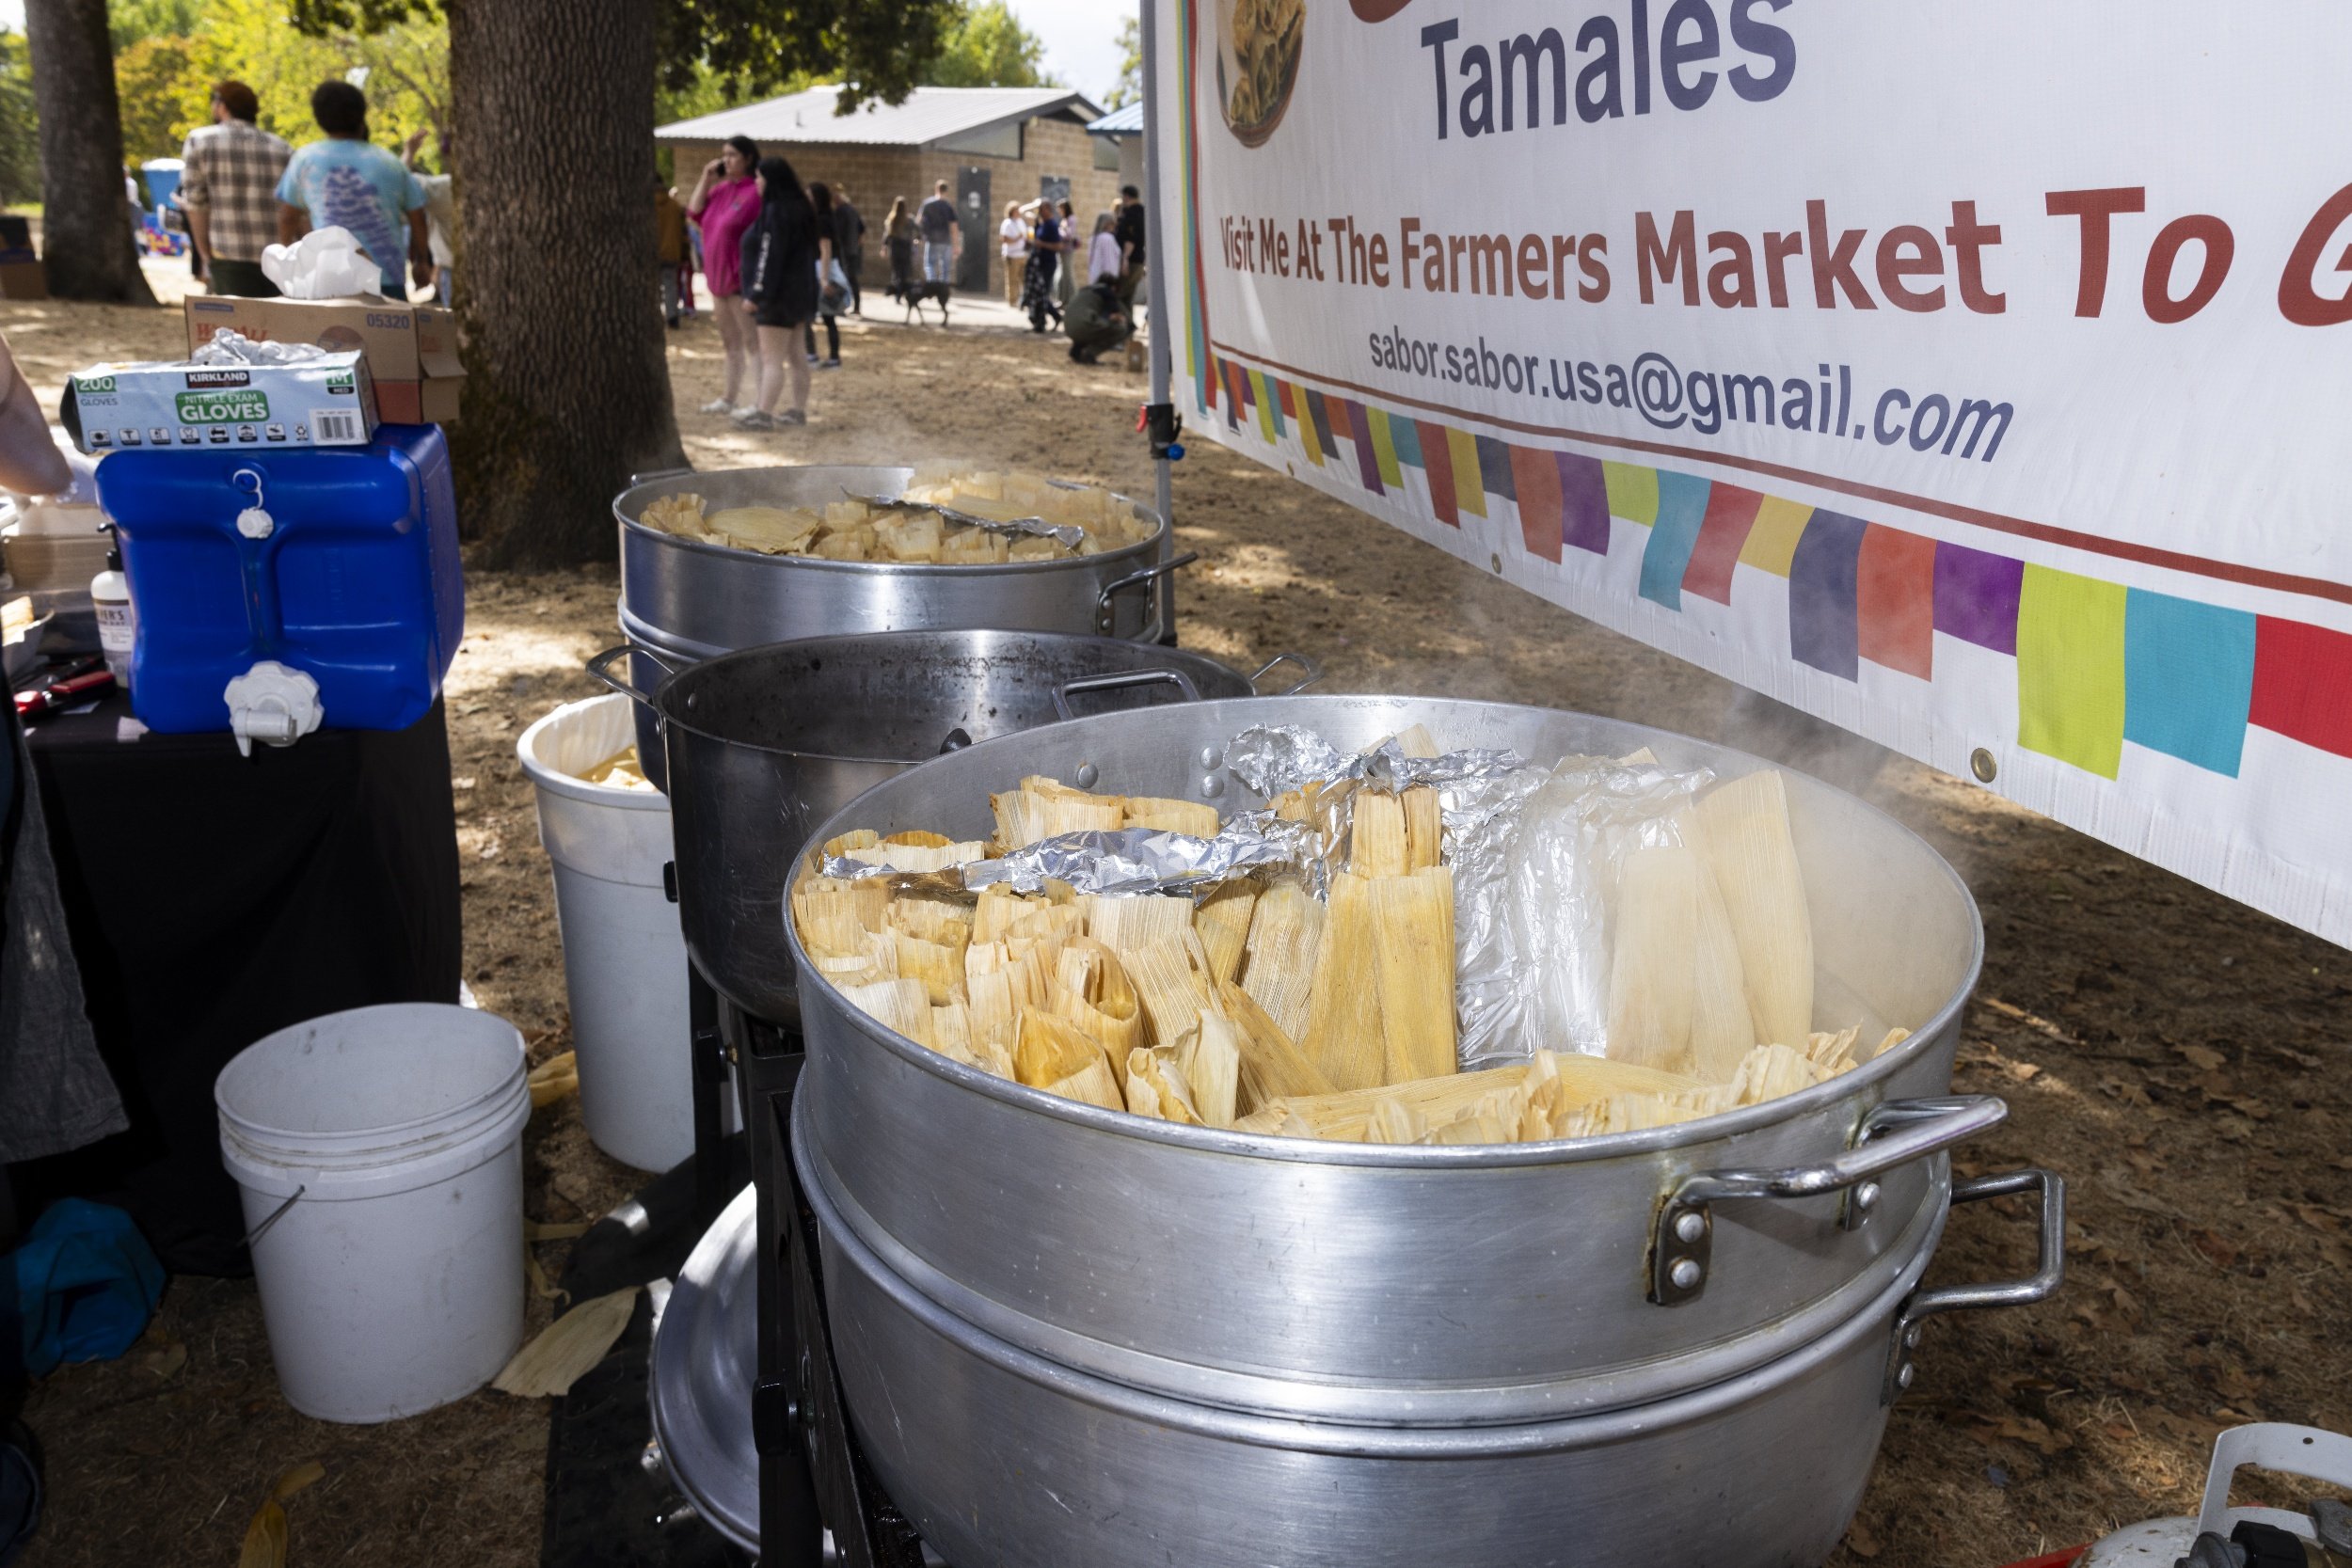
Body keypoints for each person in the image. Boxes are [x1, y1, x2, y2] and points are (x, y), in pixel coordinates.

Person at [274, 80, 431, 297]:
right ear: (361, 114)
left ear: (319, 117)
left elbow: (287, 218)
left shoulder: (305, 159)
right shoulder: (391, 163)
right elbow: (418, 217)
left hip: (329, 281)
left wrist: (289, 264)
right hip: (387, 278)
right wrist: (421, 260)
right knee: (390, 332)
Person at [179, 82, 291, 298]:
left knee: (238, 329)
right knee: (277, 329)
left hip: (227, 255)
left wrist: (204, 255)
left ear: (222, 105)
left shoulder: (200, 141)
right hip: (277, 258)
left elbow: (196, 204)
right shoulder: (282, 147)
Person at [736, 155, 821, 430]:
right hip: (799, 296)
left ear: (771, 180)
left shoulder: (775, 212)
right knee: (797, 356)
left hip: (777, 298)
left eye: (759, 177)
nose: (756, 182)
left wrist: (757, 293)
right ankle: (797, 410)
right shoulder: (801, 209)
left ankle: (763, 414)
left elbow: (769, 256)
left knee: (772, 359)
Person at [685, 135, 762, 416]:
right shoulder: (719, 190)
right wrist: (706, 177)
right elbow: (693, 211)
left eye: (733, 155)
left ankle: (759, 402)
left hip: (740, 281)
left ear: (748, 159)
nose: (726, 160)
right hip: (716, 280)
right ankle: (729, 398)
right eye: (724, 155)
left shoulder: (754, 192)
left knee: (753, 343)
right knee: (730, 343)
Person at [402, 127, 457, 304]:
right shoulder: (448, 188)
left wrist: (408, 153)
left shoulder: (447, 189)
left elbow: (401, 183)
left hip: (454, 271)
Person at [805, 181, 846, 368]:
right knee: (828, 319)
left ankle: (813, 356)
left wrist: (823, 279)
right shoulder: (823, 218)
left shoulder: (822, 221)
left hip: (821, 272)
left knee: (811, 317)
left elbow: (826, 251)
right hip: (821, 271)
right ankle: (832, 357)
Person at [1064, 273, 1134, 364]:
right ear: (1113, 287)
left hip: (1068, 327)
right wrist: (1127, 322)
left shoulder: (1085, 290)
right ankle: (1089, 354)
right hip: (1083, 326)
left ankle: (1076, 351)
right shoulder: (1107, 292)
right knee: (1120, 329)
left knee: (1094, 324)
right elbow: (1114, 316)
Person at [1019, 199, 1063, 332]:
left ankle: (1047, 319)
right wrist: (1034, 204)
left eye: (1040, 209)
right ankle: (1041, 321)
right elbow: (1022, 212)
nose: (1038, 211)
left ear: (1047, 209)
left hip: (1048, 264)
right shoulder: (1041, 224)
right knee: (1037, 293)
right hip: (1037, 265)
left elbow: (1058, 246)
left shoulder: (1052, 225)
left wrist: (1041, 244)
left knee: (1041, 293)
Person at [654, 176, 688, 328]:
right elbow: (683, 233)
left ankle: (655, 317)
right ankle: (672, 316)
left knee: (654, 288)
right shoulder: (675, 206)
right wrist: (684, 254)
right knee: (670, 286)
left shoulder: (645, 207)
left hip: (652, 255)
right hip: (671, 252)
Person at [917, 180, 959, 284]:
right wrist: (956, 245)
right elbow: (954, 226)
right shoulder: (948, 206)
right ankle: (943, 292)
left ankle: (932, 287)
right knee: (945, 268)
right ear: (946, 190)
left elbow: (919, 221)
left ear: (936, 189)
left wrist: (919, 236)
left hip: (931, 239)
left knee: (929, 265)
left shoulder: (927, 204)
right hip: (946, 241)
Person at [833, 185, 865, 314]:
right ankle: (856, 306)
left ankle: (841, 307)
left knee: (841, 278)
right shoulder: (853, 210)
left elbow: (837, 232)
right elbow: (862, 231)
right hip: (853, 250)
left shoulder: (840, 212)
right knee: (852, 279)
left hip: (844, 250)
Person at [1115, 183, 1148, 307]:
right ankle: (1127, 324)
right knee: (1127, 297)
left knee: (1121, 296)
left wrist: (1125, 259)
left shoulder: (1132, 213)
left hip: (1131, 260)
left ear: (1127, 196)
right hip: (1137, 259)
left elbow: (1130, 239)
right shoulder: (1141, 211)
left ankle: (1124, 324)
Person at [997, 199, 1028, 308]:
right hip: (1012, 255)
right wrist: (1016, 239)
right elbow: (1004, 239)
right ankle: (1012, 301)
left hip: (1022, 254)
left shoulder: (1021, 222)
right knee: (1012, 279)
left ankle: (1024, 300)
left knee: (1023, 279)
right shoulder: (1007, 223)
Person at [884, 196, 916, 293]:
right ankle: (903, 291)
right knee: (905, 271)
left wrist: (884, 246)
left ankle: (898, 292)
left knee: (896, 271)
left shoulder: (892, 219)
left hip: (895, 247)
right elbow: (919, 229)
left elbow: (887, 235)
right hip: (906, 247)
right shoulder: (909, 219)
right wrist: (917, 239)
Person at [1056, 198, 1080, 315]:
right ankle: (1063, 300)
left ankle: (1072, 301)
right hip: (1062, 250)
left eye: (1060, 208)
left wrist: (1060, 232)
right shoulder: (1065, 219)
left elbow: (1070, 235)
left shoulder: (1071, 219)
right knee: (1062, 276)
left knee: (1068, 275)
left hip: (1068, 250)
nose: (1058, 211)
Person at [1088, 212, 1121, 284]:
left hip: (1094, 276)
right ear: (1106, 224)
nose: (1114, 225)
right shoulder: (1107, 238)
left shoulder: (1093, 238)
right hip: (1106, 279)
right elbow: (1109, 261)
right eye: (1112, 223)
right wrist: (1112, 280)